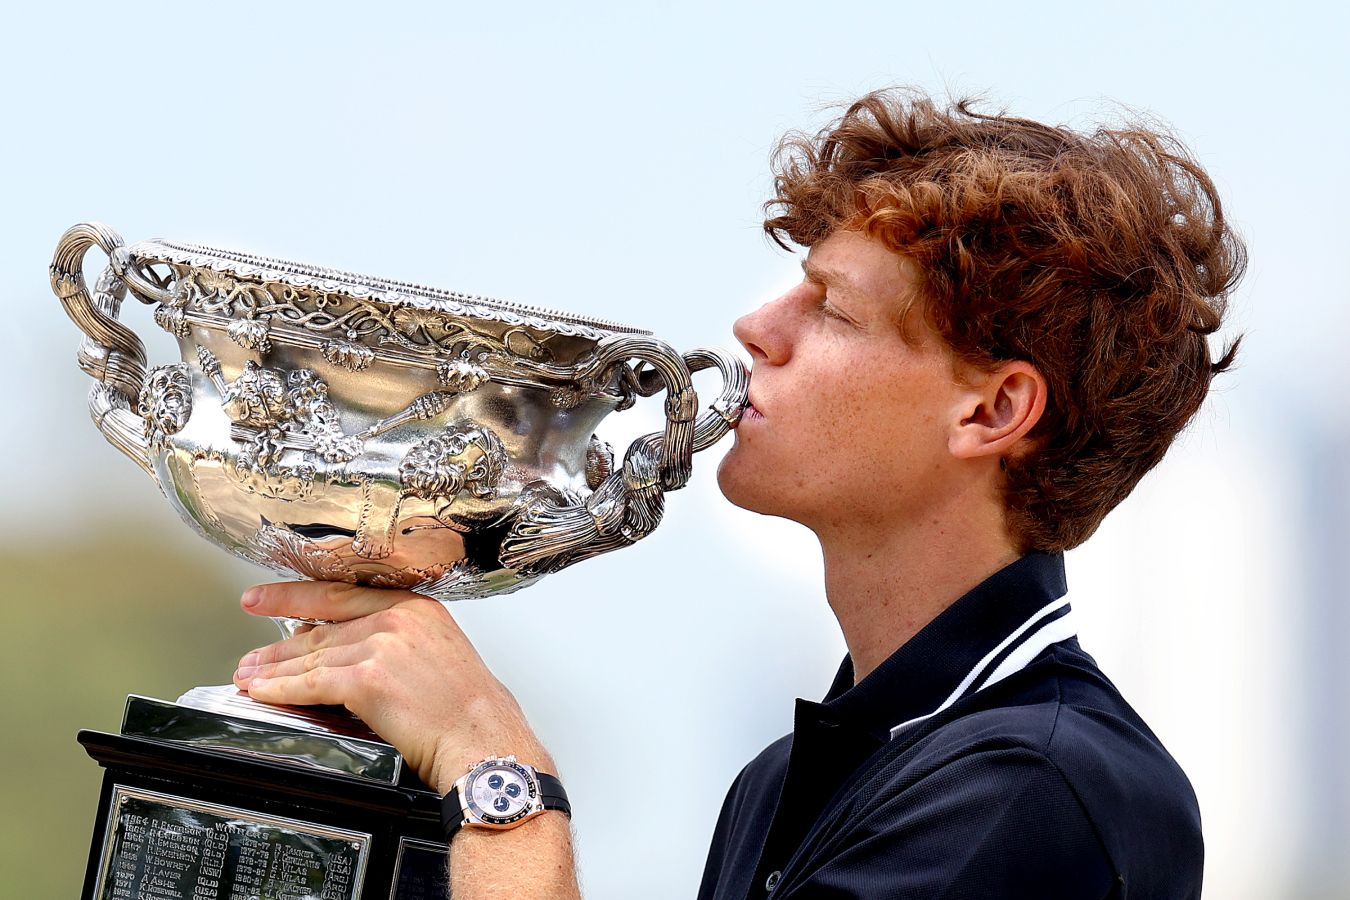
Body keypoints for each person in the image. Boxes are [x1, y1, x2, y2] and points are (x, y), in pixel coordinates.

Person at [231, 88, 1244, 899]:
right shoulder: (789, 779)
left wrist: (497, 775)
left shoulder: (1031, 789)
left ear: (989, 413)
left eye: (833, 309)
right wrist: (397, 801)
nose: (758, 327)